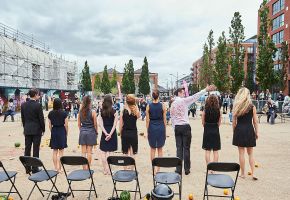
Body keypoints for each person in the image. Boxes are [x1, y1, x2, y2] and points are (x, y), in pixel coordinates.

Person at [170, 85, 215, 175]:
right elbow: (195, 96)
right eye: (183, 93)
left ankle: (178, 169)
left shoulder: (173, 103)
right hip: (185, 126)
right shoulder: (183, 101)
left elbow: (172, 116)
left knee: (179, 148)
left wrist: (174, 127)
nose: (184, 94)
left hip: (178, 127)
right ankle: (187, 169)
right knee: (186, 148)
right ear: (179, 93)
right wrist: (205, 90)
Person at [232, 87, 259, 180]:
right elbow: (255, 121)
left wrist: (234, 131)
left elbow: (234, 122)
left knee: (241, 153)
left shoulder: (237, 106)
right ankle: (253, 173)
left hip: (239, 130)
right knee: (250, 153)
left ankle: (243, 173)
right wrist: (257, 132)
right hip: (249, 130)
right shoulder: (252, 107)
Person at [21, 89, 45, 173]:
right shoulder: (38, 105)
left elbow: (23, 119)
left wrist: (25, 128)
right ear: (35, 95)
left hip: (27, 129)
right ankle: (35, 168)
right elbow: (41, 119)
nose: (38, 95)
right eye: (38, 94)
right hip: (36, 130)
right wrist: (43, 129)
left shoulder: (23, 105)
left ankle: (27, 168)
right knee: (35, 149)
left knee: (27, 149)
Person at [146, 90, 166, 174]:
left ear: (152, 96)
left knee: (152, 148)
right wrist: (165, 130)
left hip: (152, 127)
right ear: (158, 96)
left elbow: (147, 120)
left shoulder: (148, 106)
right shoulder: (162, 105)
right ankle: (158, 169)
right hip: (161, 126)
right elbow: (164, 119)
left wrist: (147, 131)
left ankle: (153, 168)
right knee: (160, 148)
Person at [99, 95, 118, 175]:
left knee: (103, 152)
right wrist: (110, 134)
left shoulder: (101, 111)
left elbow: (100, 124)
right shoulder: (115, 112)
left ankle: (105, 169)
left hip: (104, 132)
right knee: (110, 152)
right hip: (112, 132)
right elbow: (115, 124)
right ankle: (109, 169)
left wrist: (106, 133)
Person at [48, 98, 68, 172]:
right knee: (61, 151)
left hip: (54, 130)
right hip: (61, 130)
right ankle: (60, 168)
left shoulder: (50, 113)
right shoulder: (64, 113)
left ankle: (55, 168)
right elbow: (66, 125)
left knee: (55, 151)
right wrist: (66, 133)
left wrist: (52, 132)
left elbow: (49, 125)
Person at [119, 94, 140, 164]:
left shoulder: (123, 111)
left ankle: (125, 168)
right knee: (132, 152)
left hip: (125, 132)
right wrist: (135, 105)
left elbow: (121, 124)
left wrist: (120, 132)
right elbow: (139, 116)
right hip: (133, 132)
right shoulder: (136, 111)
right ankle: (132, 168)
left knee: (125, 152)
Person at [78, 96, 98, 170]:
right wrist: (96, 132)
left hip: (83, 132)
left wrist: (82, 130)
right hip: (91, 132)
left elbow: (79, 124)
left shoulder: (80, 112)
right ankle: (88, 167)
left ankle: (84, 168)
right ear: (90, 102)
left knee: (83, 152)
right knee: (89, 152)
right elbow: (95, 124)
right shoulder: (93, 112)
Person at [202, 95, 221, 170]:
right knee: (215, 151)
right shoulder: (218, 110)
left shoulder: (205, 110)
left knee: (207, 150)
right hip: (215, 130)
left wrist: (207, 126)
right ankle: (214, 168)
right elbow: (219, 123)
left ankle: (208, 168)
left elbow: (203, 123)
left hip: (207, 130)